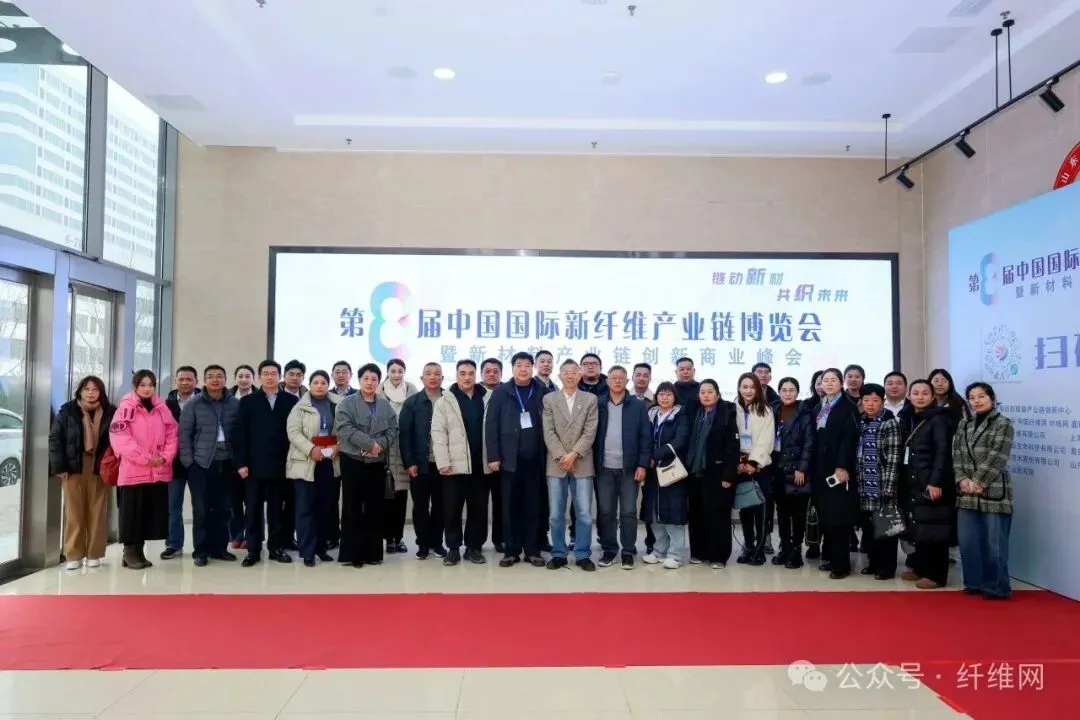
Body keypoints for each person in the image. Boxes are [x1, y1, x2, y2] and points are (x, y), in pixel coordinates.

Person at [109, 370, 178, 570]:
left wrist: (164, 456)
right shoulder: (125, 408)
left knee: (148, 514)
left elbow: (172, 434)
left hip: (157, 471)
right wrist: (147, 459)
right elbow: (121, 440)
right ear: (135, 386)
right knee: (131, 514)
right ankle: (129, 552)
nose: (147, 389)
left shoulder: (161, 408)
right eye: (143, 385)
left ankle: (139, 552)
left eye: (150, 385)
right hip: (133, 471)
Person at [953, 381, 1015, 599]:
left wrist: (978, 481)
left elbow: (998, 456)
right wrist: (961, 478)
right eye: (972, 398)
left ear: (992, 398)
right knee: (968, 541)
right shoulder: (964, 424)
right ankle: (973, 583)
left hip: (993, 490)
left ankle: (996, 587)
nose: (976, 401)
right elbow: (957, 454)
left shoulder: (1002, 423)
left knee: (994, 543)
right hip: (966, 491)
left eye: (981, 396)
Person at [234, 360, 299, 567]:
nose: (270, 377)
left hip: (281, 465)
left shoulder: (291, 400)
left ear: (280, 377)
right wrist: (241, 463)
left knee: (277, 510)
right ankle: (253, 550)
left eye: (273, 373)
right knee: (252, 509)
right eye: (266, 373)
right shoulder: (248, 401)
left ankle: (276, 548)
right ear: (259, 377)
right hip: (253, 466)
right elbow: (240, 434)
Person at [486, 351, 547, 568]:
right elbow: (491, 425)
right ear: (512, 368)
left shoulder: (542, 391)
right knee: (510, 507)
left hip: (535, 461)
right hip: (508, 461)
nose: (523, 369)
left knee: (533, 506)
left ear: (533, 368)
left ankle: (532, 550)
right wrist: (493, 456)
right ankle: (511, 551)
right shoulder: (501, 392)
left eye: (527, 365)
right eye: (519, 365)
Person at [48, 375, 114, 570]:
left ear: (101, 392)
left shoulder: (111, 412)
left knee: (98, 511)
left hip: (100, 466)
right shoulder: (68, 411)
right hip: (73, 467)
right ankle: (73, 555)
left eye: (95, 389)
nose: (91, 393)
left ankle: (94, 553)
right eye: (87, 389)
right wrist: (59, 467)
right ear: (80, 391)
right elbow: (55, 439)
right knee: (74, 511)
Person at [335, 363, 398, 567]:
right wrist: (369, 445)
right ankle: (352, 555)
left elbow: (393, 429)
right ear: (359, 380)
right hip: (352, 460)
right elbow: (345, 428)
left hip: (376, 462)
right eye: (366, 378)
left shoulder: (385, 405)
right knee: (352, 506)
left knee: (374, 507)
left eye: (374, 379)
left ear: (379, 382)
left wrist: (379, 446)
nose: (370, 382)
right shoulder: (346, 403)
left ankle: (373, 554)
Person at [178, 364, 241, 566]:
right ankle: (201, 551)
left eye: (219, 376)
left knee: (224, 509)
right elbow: (184, 436)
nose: (215, 380)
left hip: (227, 463)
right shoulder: (193, 404)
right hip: (201, 464)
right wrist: (189, 463)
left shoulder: (234, 403)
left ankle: (219, 549)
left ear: (225, 380)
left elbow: (240, 433)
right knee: (202, 509)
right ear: (204, 381)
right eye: (211, 376)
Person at [542, 359, 599, 571]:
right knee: (556, 514)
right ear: (560, 376)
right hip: (556, 464)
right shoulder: (549, 399)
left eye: (574, 372)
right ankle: (559, 553)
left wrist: (573, 454)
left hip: (582, 462)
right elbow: (548, 431)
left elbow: (590, 431)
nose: (570, 375)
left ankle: (582, 554)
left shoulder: (590, 399)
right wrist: (562, 456)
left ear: (579, 375)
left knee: (584, 513)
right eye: (566, 372)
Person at [431, 359, 490, 565]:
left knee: (478, 509)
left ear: (476, 376)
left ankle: (474, 548)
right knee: (452, 509)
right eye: (462, 373)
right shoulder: (445, 401)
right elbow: (438, 434)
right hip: (454, 466)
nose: (467, 377)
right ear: (456, 376)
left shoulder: (486, 398)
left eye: (471, 373)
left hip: (480, 465)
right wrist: (443, 462)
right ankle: (453, 548)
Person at [594, 365, 650, 569]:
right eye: (613, 378)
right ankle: (609, 550)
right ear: (607, 381)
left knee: (628, 512)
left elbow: (645, 437)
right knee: (606, 512)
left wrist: (642, 465)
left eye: (621, 378)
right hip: (604, 468)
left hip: (629, 469)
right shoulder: (598, 403)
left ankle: (628, 551)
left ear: (627, 381)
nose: (617, 381)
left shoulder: (637, 405)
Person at [901, 379, 955, 589]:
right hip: (914, 481)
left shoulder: (939, 419)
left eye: (925, 393)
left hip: (931, 483)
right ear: (909, 396)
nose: (920, 396)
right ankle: (920, 569)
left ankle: (936, 575)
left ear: (933, 396)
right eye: (916, 393)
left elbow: (943, 453)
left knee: (935, 530)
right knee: (920, 528)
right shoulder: (911, 417)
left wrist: (936, 482)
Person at [286, 370, 341, 567]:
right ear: (309, 385)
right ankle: (307, 552)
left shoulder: (338, 404)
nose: (319, 386)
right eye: (316, 382)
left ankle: (321, 548)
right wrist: (311, 449)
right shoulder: (299, 407)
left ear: (328, 385)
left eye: (323, 382)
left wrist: (338, 446)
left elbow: (345, 429)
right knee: (305, 508)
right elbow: (293, 432)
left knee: (325, 507)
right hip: (305, 462)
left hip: (329, 461)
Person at [810, 368, 860, 579]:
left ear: (841, 383)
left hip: (838, 471)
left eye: (833, 380)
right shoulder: (819, 407)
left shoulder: (847, 407)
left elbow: (849, 440)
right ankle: (831, 558)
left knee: (839, 518)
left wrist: (842, 466)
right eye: (825, 380)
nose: (829, 383)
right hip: (820, 470)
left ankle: (842, 565)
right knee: (827, 517)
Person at [687, 379, 741, 569]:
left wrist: (728, 475)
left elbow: (732, 447)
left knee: (717, 514)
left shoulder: (727, 413)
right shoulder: (695, 412)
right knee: (696, 514)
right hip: (695, 472)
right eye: (702, 392)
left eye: (710, 392)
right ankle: (699, 552)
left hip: (717, 472)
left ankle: (719, 556)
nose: (706, 395)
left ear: (718, 394)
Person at [400, 362, 448, 560]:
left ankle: (437, 542)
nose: (433, 377)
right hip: (420, 464)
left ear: (442, 378)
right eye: (428, 373)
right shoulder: (412, 402)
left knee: (440, 506)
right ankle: (423, 544)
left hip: (444, 464)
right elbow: (405, 435)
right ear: (422, 378)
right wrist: (409, 462)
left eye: (437, 374)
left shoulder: (449, 400)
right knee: (420, 506)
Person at [855, 384, 902, 580]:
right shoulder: (860, 421)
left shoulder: (889, 423)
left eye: (875, 400)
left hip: (883, 484)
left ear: (882, 401)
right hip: (864, 484)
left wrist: (889, 486)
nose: (870, 404)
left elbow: (894, 457)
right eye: (866, 400)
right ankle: (873, 563)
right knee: (869, 528)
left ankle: (887, 568)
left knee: (886, 528)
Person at [641, 382, 691, 569]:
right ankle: (659, 551)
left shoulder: (681, 415)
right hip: (652, 471)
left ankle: (675, 554)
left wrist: (655, 456)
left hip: (672, 470)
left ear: (674, 397)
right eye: (661, 394)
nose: (664, 397)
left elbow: (680, 441)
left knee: (674, 512)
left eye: (669, 394)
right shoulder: (650, 414)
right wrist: (645, 458)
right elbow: (643, 439)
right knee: (655, 512)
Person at [771, 377, 814, 569]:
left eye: (791, 390)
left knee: (798, 514)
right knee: (782, 513)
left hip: (797, 471)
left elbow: (809, 443)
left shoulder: (804, 412)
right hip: (778, 470)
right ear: (779, 392)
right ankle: (785, 548)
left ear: (797, 392)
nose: (787, 393)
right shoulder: (773, 410)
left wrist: (802, 469)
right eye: (784, 390)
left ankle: (796, 550)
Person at [734, 373, 775, 565]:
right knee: (745, 508)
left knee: (760, 510)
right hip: (739, 466)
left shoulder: (765, 410)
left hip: (759, 467)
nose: (748, 391)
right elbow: (730, 437)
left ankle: (760, 549)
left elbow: (766, 439)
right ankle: (748, 546)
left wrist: (753, 462)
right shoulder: (733, 408)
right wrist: (738, 462)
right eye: (745, 387)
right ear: (739, 388)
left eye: (752, 387)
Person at [378, 358, 417, 554]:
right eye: (392, 370)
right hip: (383, 451)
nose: (396, 374)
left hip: (404, 451)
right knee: (385, 498)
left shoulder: (411, 390)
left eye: (400, 370)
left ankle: (399, 537)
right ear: (387, 372)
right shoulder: (378, 391)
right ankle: (388, 539)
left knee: (401, 498)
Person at [162, 365, 199, 559]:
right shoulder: (165, 406)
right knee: (172, 507)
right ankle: (173, 544)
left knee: (201, 506)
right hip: (173, 462)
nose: (185, 383)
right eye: (181, 379)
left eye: (189, 379)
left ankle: (202, 546)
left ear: (196, 381)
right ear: (175, 381)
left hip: (199, 462)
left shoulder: (204, 402)